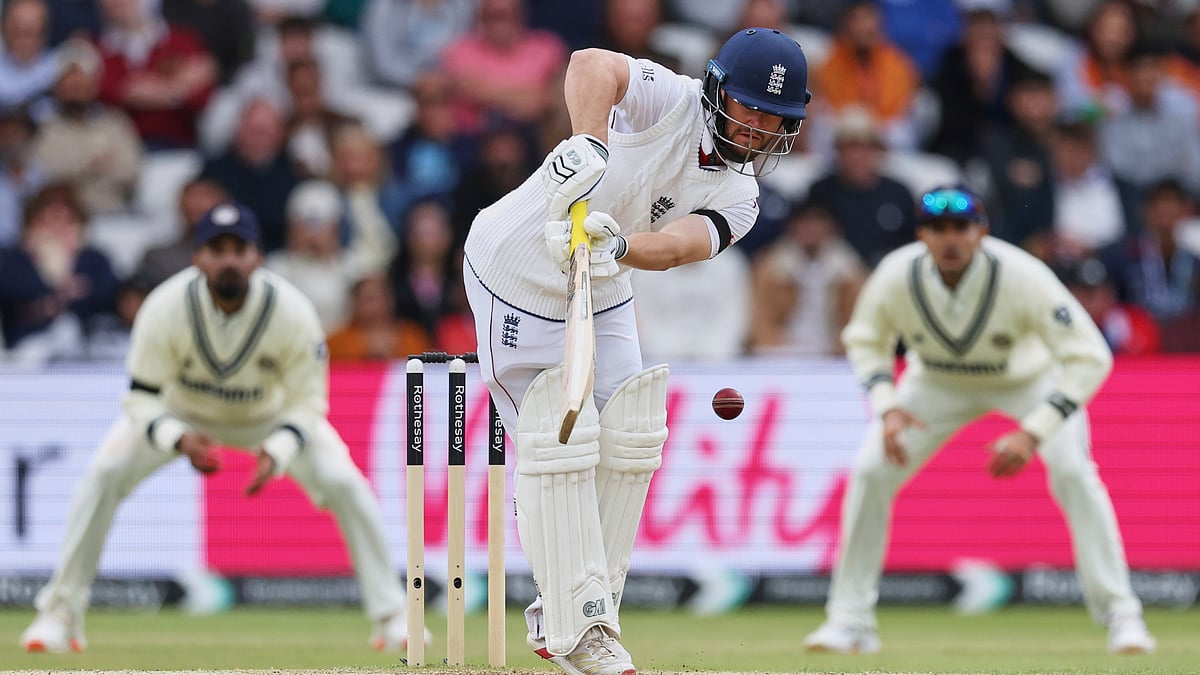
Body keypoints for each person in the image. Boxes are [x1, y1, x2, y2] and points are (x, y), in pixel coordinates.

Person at [462, 27, 811, 675]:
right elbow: (591, 63)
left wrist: (617, 247)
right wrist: (588, 142)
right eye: (752, 107)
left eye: (778, 119)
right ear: (715, 91)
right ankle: (579, 625)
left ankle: (575, 616)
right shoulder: (669, 99)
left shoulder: (742, 197)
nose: (761, 127)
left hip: (602, 279)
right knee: (556, 440)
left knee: (633, 432)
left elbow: (677, 246)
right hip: (513, 271)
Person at [19, 202, 424, 654]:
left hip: (267, 417)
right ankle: (59, 614)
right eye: (217, 248)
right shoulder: (165, 307)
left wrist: (280, 449)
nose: (228, 259)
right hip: (183, 414)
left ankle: (392, 615)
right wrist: (177, 438)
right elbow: (139, 396)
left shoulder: (291, 311)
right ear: (199, 257)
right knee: (103, 475)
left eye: (239, 248)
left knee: (346, 483)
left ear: (257, 257)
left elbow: (310, 402)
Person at [802, 184, 1157, 656]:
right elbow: (866, 338)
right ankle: (849, 622)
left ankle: (1122, 615)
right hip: (935, 385)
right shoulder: (897, 273)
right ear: (922, 234)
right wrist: (887, 405)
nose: (950, 239)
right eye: (937, 228)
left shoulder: (1022, 274)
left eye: (960, 228)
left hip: (1026, 382)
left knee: (1074, 472)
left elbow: (1089, 357)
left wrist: (1034, 432)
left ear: (982, 231)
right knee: (870, 472)